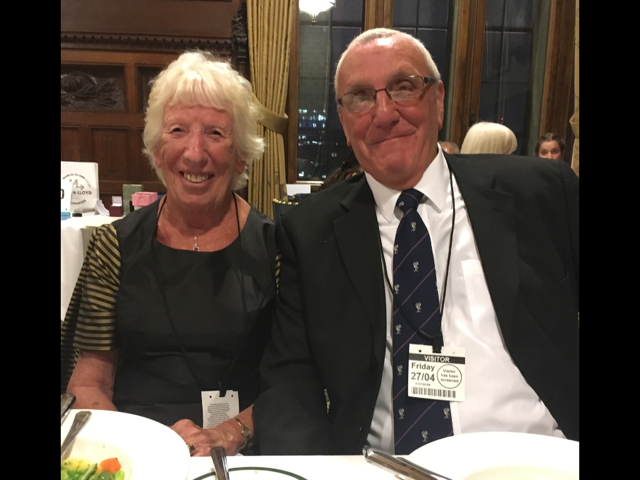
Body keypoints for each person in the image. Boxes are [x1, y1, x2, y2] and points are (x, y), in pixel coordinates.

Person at [254, 28, 578, 455]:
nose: (384, 113)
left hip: (538, 457)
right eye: (361, 97)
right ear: (344, 122)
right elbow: (289, 381)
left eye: (404, 87)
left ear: (438, 100)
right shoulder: (311, 231)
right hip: (389, 465)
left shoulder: (540, 192)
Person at [61, 51, 277, 456]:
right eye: (178, 130)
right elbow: (88, 386)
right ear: (157, 149)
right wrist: (146, 450)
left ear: (241, 155)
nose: (195, 153)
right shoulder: (114, 246)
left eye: (215, 132)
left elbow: (296, 379)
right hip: (134, 449)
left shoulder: (276, 246)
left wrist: (234, 432)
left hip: (244, 451)